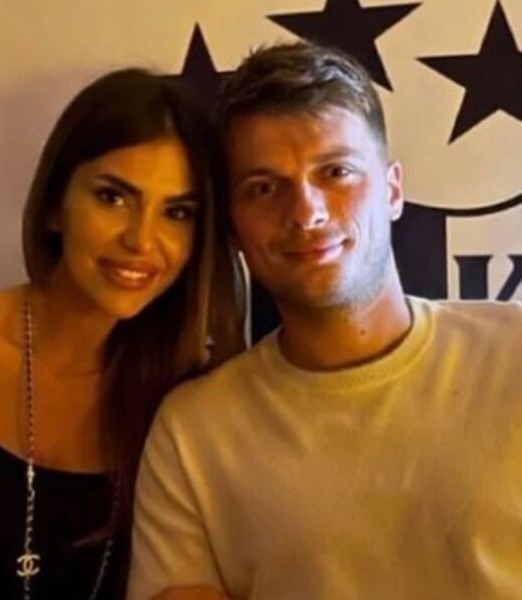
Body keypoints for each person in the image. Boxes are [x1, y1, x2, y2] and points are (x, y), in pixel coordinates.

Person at [127, 42, 522, 600]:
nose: (305, 212)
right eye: (264, 188)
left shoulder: (513, 353)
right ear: (234, 227)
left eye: (336, 172)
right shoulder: (194, 434)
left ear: (392, 190)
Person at [0, 68, 246, 599]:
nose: (141, 240)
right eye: (113, 197)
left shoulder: (186, 403)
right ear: (56, 205)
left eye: (177, 212)